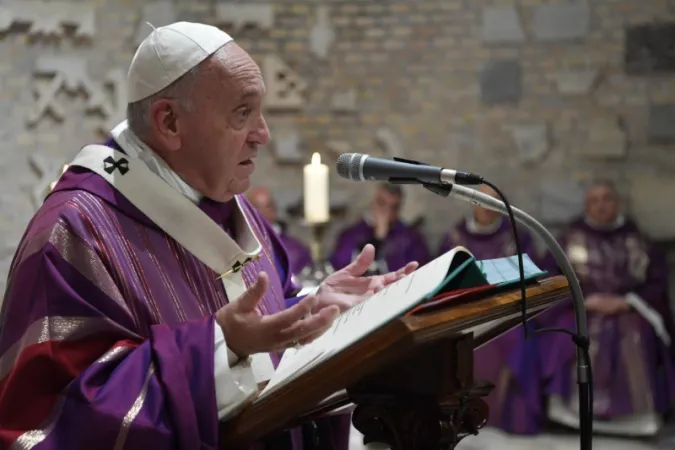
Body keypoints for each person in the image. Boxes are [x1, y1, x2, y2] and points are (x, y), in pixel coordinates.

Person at [0, 22, 418, 450]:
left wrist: (310, 307)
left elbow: (259, 328)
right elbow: (51, 422)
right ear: (169, 121)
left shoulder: (237, 212)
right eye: (243, 113)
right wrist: (219, 346)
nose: (263, 134)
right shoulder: (75, 232)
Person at [538, 180, 675, 436]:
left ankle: (637, 420)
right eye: (594, 201)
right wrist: (584, 300)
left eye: (606, 199)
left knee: (638, 336)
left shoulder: (638, 238)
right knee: (572, 336)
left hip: (630, 309)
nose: (601, 206)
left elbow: (657, 281)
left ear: (617, 202)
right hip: (581, 307)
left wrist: (628, 302)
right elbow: (550, 280)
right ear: (586, 206)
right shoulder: (568, 239)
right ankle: (572, 417)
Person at [437, 185, 545, 434]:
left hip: (508, 312)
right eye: (481, 201)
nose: (487, 207)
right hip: (464, 313)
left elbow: (531, 276)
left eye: (494, 201)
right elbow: (441, 279)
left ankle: (512, 419)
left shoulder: (517, 237)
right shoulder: (454, 238)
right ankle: (455, 417)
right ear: (472, 203)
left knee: (521, 339)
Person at [329, 183, 430, 275]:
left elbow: (418, 269)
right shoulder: (350, 235)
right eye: (382, 204)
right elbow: (340, 267)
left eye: (393, 207)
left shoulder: (410, 237)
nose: (387, 212)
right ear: (373, 203)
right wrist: (378, 238)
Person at [247, 187, 312, 276]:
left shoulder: (295, 248)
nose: (261, 213)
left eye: (267, 207)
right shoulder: (242, 247)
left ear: (274, 209)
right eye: (256, 207)